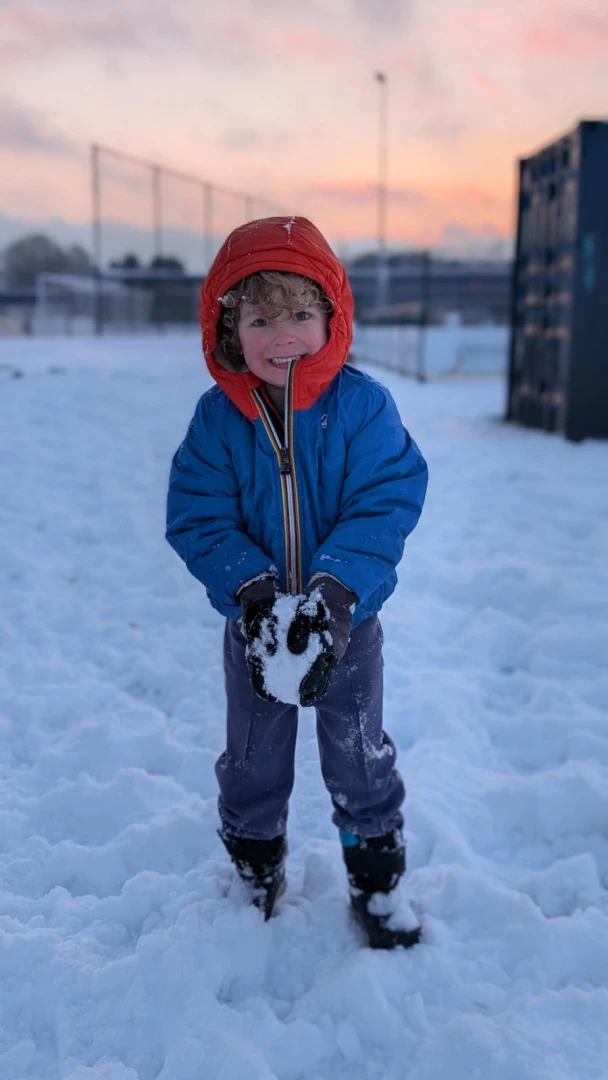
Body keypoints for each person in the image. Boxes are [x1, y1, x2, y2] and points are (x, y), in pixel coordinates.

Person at [166, 216, 428, 949]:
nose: (283, 335)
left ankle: (375, 879)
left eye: (301, 315)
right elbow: (198, 511)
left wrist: (338, 591)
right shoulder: (219, 421)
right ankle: (256, 866)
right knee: (252, 755)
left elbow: (387, 499)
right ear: (228, 329)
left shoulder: (362, 406)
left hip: (347, 622)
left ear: (332, 319)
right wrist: (250, 593)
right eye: (260, 317)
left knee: (357, 747)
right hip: (257, 628)